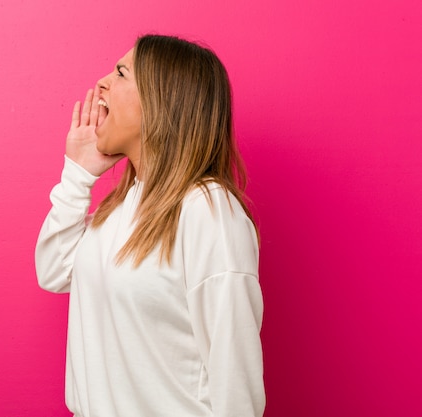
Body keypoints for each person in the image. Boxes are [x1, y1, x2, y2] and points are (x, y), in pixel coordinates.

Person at [35, 34, 265, 417]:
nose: (103, 83)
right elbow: (53, 271)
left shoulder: (208, 212)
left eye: (122, 72)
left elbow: (235, 385)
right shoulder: (120, 207)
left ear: (162, 101)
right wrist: (78, 175)